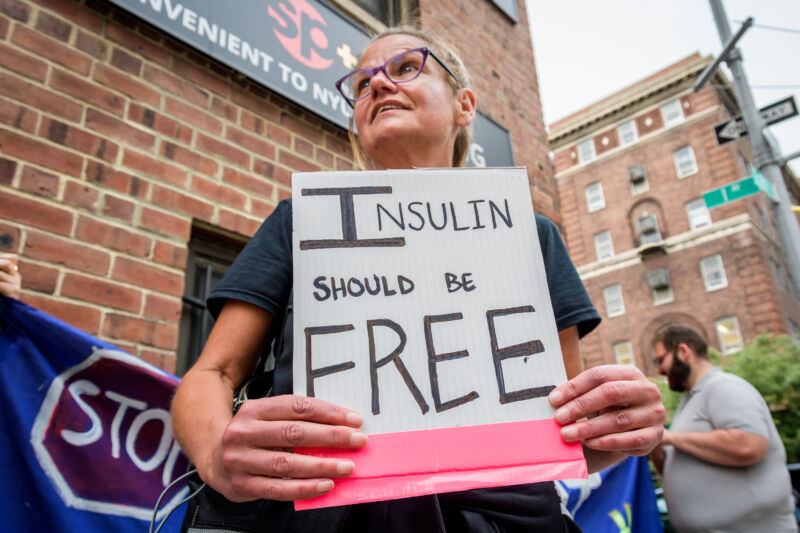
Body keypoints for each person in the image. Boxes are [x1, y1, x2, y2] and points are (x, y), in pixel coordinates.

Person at [172, 26, 664, 532]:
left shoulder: (531, 236)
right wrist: (217, 455)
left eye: (407, 67)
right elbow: (211, 375)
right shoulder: (300, 223)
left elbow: (563, 428)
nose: (379, 86)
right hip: (316, 516)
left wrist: (622, 428)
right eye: (362, 84)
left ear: (464, 105)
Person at [649, 324, 796, 532]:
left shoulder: (724, 387)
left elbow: (749, 444)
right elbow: (672, 467)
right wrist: (653, 443)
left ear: (683, 351)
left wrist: (670, 437)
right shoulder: (690, 401)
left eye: (661, 359)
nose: (659, 370)